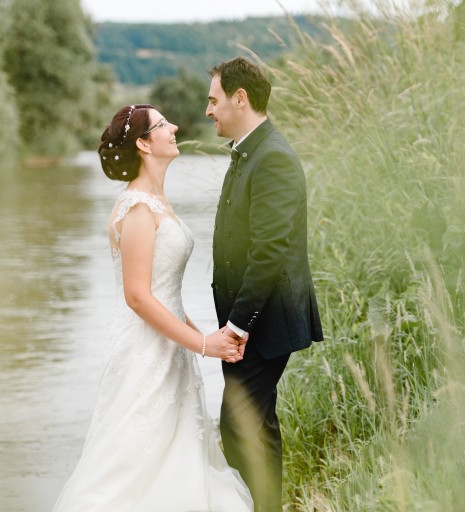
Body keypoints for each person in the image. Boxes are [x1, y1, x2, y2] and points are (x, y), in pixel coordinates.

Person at [52, 104, 253, 512]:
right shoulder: (138, 208)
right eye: (163, 125)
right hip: (145, 352)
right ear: (144, 143)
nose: (175, 127)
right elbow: (138, 296)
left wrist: (209, 338)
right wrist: (201, 343)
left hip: (171, 347)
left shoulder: (157, 201)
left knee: (175, 454)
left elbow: (166, 295)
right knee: (134, 461)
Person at [206, 57, 325, 512]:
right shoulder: (250, 150)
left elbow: (269, 251)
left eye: (214, 100)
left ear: (241, 98)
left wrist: (237, 325)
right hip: (248, 320)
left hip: (260, 321)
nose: (208, 110)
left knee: (238, 427)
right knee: (258, 423)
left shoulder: (273, 156)